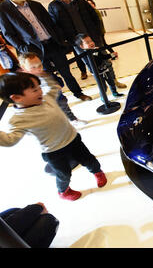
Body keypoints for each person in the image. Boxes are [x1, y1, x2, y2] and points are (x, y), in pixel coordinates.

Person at [0, 72, 108, 201]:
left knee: (89, 160)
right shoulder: (18, 119)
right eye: (34, 90)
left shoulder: (46, 99)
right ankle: (64, 191)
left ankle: (97, 172)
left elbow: (54, 88)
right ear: (17, 98)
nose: (40, 91)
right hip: (53, 151)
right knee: (63, 174)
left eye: (39, 87)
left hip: (73, 139)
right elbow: (10, 140)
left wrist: (42, 75)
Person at [0, 0, 92, 102]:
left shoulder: (35, 5)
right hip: (34, 50)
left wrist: (61, 41)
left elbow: (51, 24)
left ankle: (78, 93)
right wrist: (25, 48)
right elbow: (8, 34)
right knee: (47, 78)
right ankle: (59, 101)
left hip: (52, 44)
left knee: (66, 72)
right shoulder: (3, 10)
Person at [48, 0, 125, 89]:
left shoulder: (81, 2)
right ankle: (102, 87)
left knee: (106, 61)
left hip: (94, 39)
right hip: (79, 44)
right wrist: (67, 43)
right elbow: (56, 27)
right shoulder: (53, 7)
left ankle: (114, 82)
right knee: (91, 65)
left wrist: (98, 34)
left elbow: (95, 18)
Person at [18, 52, 87, 128]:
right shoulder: (26, 81)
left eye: (39, 65)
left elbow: (56, 80)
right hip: (43, 103)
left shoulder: (45, 73)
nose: (38, 69)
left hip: (59, 98)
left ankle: (73, 120)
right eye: (33, 67)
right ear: (24, 67)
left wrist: (58, 84)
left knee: (65, 109)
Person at [74, 33, 124, 101]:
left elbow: (103, 57)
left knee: (111, 82)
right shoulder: (85, 55)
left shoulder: (96, 50)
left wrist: (112, 55)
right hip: (97, 73)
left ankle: (115, 93)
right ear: (82, 46)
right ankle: (103, 97)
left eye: (91, 41)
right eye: (87, 42)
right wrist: (95, 51)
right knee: (103, 87)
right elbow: (92, 61)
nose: (91, 43)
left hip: (105, 69)